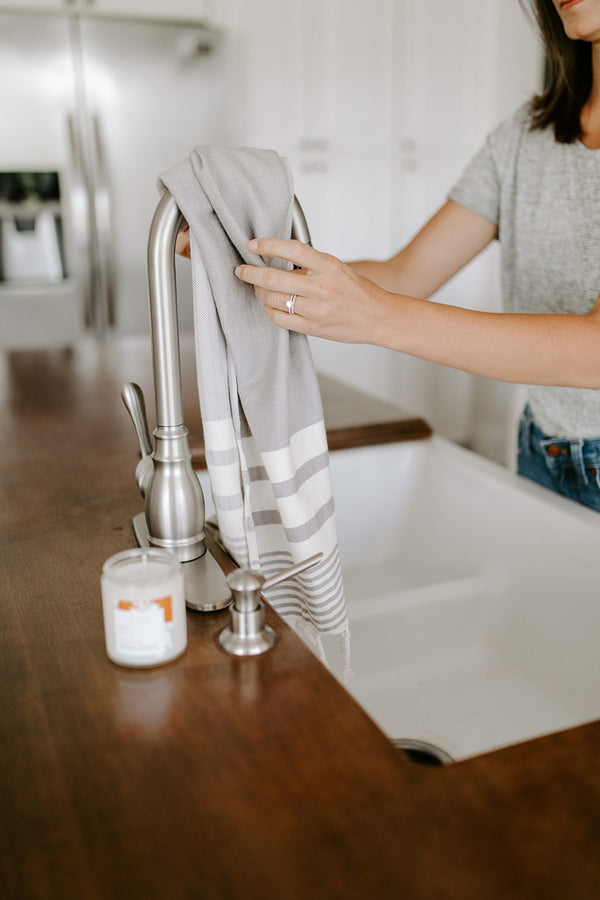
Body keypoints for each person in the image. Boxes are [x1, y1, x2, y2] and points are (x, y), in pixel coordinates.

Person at [184, 0, 600, 511]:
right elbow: (406, 274)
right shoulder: (525, 134)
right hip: (543, 446)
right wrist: (241, 261)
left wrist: (375, 317)